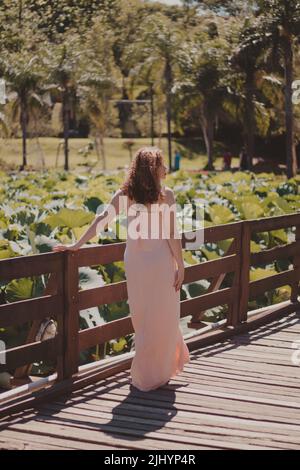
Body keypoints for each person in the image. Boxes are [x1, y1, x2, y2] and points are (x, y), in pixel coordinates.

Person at [53, 146, 190, 392]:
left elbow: (100, 221)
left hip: (136, 263)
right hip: (159, 261)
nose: (166, 169)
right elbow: (171, 233)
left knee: (143, 318)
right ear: (153, 169)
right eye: (162, 165)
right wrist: (180, 263)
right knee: (162, 316)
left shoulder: (124, 195)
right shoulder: (165, 195)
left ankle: (151, 371)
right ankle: (154, 373)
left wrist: (77, 244)